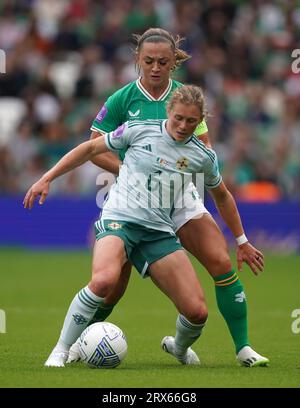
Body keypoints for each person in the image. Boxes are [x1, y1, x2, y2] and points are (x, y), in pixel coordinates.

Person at [24, 85, 268, 368]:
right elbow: (91, 147)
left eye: (191, 121)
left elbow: (223, 196)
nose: (182, 125)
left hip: (158, 231)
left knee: (197, 312)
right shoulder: (138, 129)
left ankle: (178, 347)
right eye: (178, 118)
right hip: (120, 219)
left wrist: (242, 241)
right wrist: (48, 177)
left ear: (200, 120)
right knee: (104, 281)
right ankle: (61, 350)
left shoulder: (203, 156)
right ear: (169, 112)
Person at [72, 28, 268, 367]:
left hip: (180, 198)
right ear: (138, 60)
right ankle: (76, 346)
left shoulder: (186, 100)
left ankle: (243, 348)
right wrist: (135, 170)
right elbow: (93, 147)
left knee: (220, 262)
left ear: (174, 63)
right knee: (113, 285)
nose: (155, 67)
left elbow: (203, 153)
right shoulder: (122, 99)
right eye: (148, 61)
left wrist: (242, 238)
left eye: (163, 61)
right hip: (134, 202)